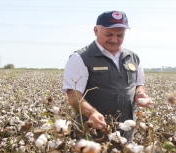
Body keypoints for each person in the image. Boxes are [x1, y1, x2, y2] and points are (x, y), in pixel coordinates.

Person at [62, 10, 153, 141]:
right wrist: (92, 113)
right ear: (96, 31)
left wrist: (140, 94)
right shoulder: (80, 58)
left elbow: (139, 84)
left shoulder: (132, 57)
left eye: (120, 35)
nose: (114, 40)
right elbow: (73, 96)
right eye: (109, 34)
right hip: (93, 130)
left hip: (126, 130)